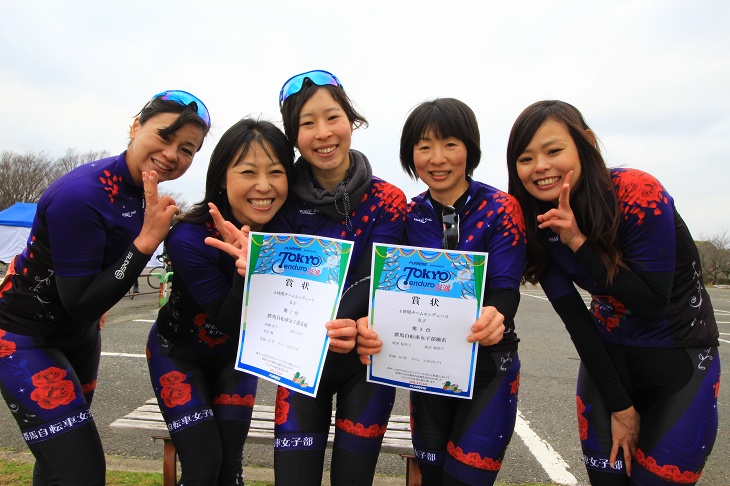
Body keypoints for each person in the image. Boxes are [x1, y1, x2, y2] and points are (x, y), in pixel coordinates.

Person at [0, 90, 211, 485]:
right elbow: (79, 302)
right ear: (135, 126)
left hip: (78, 337)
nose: (172, 154)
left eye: (187, 149)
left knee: (56, 464)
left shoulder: (142, 192)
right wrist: (146, 241)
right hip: (23, 337)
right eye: (164, 136)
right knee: (81, 472)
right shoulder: (82, 195)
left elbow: (90, 294)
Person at [506, 100, 720, 485]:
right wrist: (621, 405)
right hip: (608, 362)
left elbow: (651, 303)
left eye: (553, 151)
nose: (540, 166)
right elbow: (577, 321)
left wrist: (577, 242)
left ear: (585, 142)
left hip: (680, 365)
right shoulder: (536, 224)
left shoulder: (638, 193)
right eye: (525, 158)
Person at [357, 98, 527, 485]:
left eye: (450, 144)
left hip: (488, 367)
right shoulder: (407, 213)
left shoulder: (501, 208)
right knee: (431, 477)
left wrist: (497, 315)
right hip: (426, 369)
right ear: (410, 154)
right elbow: (384, 287)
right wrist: (371, 320)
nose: (437, 158)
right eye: (423, 146)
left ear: (470, 148)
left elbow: (505, 288)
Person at [266, 69, 407, 485]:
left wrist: (345, 320)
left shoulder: (388, 200)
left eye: (332, 117)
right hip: (299, 361)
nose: (323, 132)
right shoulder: (280, 197)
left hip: (365, 360)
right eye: (307, 123)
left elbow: (373, 277)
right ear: (293, 135)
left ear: (351, 121)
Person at [146, 118, 294, 485]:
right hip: (177, 353)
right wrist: (246, 272)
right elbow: (226, 320)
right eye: (248, 172)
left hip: (235, 360)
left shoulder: (288, 234)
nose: (264, 186)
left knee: (230, 469)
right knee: (202, 467)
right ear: (221, 178)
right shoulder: (190, 237)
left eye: (276, 172)